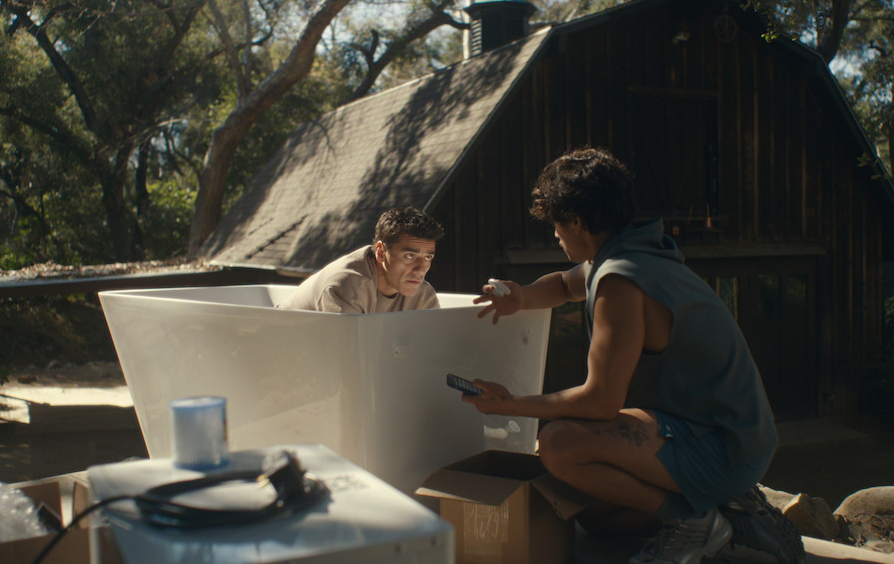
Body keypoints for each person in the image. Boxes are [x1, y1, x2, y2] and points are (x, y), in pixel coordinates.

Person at [464, 148, 803, 564]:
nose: (555, 234)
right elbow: (566, 285)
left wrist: (510, 404)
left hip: (724, 447)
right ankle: (732, 513)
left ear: (577, 221)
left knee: (558, 444)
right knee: (599, 517)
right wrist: (521, 297)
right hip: (728, 434)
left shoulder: (621, 283)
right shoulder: (630, 251)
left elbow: (600, 402)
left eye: (556, 223)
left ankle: (694, 521)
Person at [279, 207, 444, 313]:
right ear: (381, 252)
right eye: (410, 256)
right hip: (279, 342)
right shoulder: (345, 287)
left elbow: (437, 347)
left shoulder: (422, 294)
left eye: (428, 257)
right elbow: (350, 354)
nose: (420, 269)